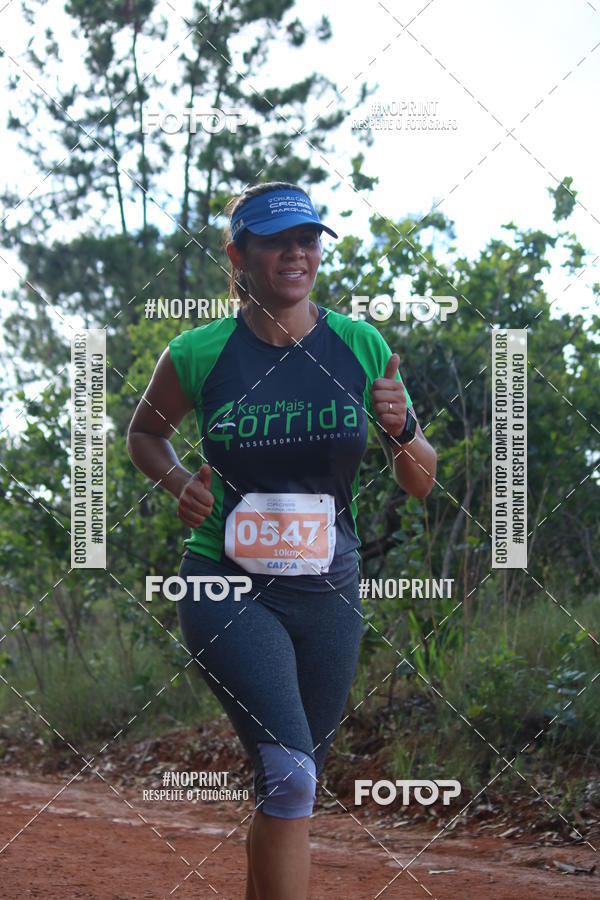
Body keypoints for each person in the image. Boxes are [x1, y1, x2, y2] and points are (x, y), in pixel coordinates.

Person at [127, 181, 437, 900]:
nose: (296, 253)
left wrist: (405, 429)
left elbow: (420, 480)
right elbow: (145, 434)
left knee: (291, 782)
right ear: (239, 255)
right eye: (275, 241)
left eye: (307, 239)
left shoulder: (361, 345)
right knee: (291, 774)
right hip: (224, 583)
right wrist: (178, 482)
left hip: (328, 589)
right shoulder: (198, 352)